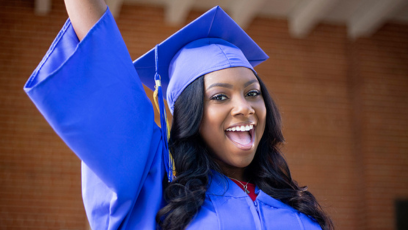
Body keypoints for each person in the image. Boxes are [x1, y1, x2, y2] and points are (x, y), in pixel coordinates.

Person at [24, 0, 334, 229]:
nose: (244, 107)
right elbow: (108, 78)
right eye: (220, 96)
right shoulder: (160, 202)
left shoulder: (297, 209)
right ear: (191, 115)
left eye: (253, 92)